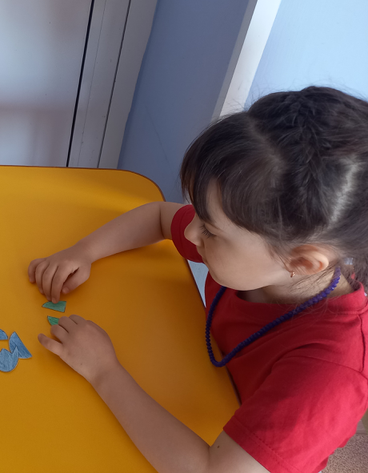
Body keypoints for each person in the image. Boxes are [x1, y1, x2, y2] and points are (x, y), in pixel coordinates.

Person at [30, 86, 368, 473]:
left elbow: (211, 470)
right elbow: (158, 216)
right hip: (202, 388)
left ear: (303, 262)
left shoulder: (330, 374)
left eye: (210, 230)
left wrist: (104, 371)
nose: (191, 233)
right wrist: (84, 251)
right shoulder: (266, 254)